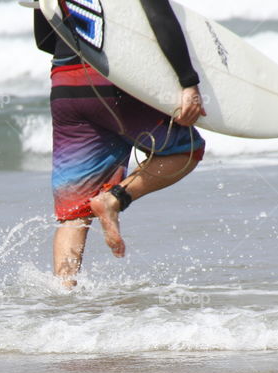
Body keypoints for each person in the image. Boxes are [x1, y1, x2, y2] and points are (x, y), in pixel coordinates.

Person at [34, 0, 206, 287]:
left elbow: (45, 38)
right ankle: (114, 199)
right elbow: (158, 15)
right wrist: (188, 81)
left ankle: (63, 300)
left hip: (66, 85)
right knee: (186, 150)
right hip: (114, 79)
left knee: (74, 214)